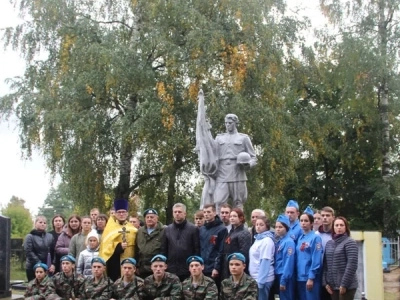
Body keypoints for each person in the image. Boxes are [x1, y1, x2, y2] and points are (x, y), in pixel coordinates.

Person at [213, 114, 257, 212]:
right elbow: (213, 156)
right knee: (219, 201)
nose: (227, 125)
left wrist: (248, 165)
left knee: (238, 202)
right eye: (226, 123)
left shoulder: (244, 138)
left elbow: (254, 158)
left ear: (235, 123)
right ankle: (219, 225)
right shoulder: (219, 138)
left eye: (230, 123)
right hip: (222, 173)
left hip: (238, 173)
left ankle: (239, 225)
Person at [99, 198, 137, 281]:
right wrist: (118, 247)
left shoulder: (133, 229)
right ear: (115, 214)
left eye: (123, 212)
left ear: (127, 214)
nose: (121, 214)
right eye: (119, 212)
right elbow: (105, 247)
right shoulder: (109, 229)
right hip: (114, 263)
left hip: (130, 261)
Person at [162, 203, 200, 281]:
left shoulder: (193, 229)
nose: (177, 214)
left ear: (185, 213)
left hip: (187, 269)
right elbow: (164, 249)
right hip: (171, 269)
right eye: (175, 212)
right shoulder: (167, 230)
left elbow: (197, 249)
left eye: (179, 212)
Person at [323, 217, 358, 300]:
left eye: (341, 225)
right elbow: (325, 265)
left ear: (346, 227)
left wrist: (344, 284)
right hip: (332, 287)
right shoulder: (329, 243)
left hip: (347, 286)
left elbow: (352, 265)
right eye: (336, 225)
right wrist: (325, 283)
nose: (339, 227)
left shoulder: (350, 242)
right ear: (333, 227)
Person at [215, 208, 251, 280]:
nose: (232, 218)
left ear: (241, 218)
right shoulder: (231, 231)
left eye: (234, 216)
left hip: (236, 265)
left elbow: (244, 253)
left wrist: (237, 264)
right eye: (231, 216)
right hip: (227, 264)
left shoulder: (244, 233)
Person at [296, 211, 323, 300]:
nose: (303, 223)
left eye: (306, 221)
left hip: (310, 278)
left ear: (311, 223)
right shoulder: (300, 238)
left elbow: (316, 259)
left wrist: (311, 277)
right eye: (301, 220)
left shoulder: (315, 238)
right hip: (300, 277)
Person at [200, 204, 227, 288]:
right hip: (202, 267)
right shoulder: (202, 229)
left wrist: (216, 267)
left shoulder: (222, 229)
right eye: (204, 212)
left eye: (209, 212)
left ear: (214, 213)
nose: (206, 214)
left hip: (213, 267)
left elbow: (221, 250)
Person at [249, 216, 275, 300]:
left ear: (267, 226)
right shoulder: (258, 238)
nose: (258, 226)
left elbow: (265, 261)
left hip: (263, 280)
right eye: (256, 224)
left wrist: (260, 282)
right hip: (255, 278)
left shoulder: (267, 240)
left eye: (261, 224)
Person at [135, 208, 165, 279]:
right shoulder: (140, 231)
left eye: (152, 217)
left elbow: (165, 250)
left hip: (156, 268)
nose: (149, 219)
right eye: (147, 217)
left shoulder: (164, 231)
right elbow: (136, 249)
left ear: (157, 218)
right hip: (142, 268)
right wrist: (136, 265)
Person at [24, 216, 55, 281]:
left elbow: (53, 251)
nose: (43, 224)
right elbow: (29, 251)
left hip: (47, 266)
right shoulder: (30, 236)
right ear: (35, 224)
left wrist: (53, 264)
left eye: (44, 223)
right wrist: (39, 263)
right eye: (40, 222)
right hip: (32, 266)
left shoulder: (50, 236)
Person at [273, 215, 295, 300]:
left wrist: (283, 280)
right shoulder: (280, 241)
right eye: (276, 227)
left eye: (280, 227)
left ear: (286, 228)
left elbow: (288, 262)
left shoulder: (288, 242)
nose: (277, 229)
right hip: (278, 275)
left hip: (285, 277)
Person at [316, 206, 335, 300]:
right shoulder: (316, 235)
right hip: (318, 272)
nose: (325, 218)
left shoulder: (337, 235)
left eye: (328, 215)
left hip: (332, 273)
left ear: (333, 217)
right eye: (322, 215)